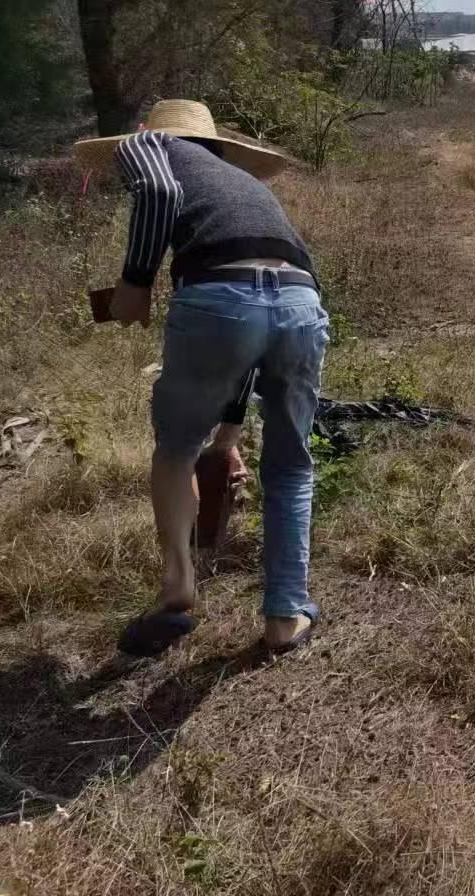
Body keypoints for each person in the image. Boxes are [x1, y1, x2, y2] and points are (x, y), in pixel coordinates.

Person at [75, 100, 329, 659]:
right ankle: (285, 616)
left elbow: (159, 196)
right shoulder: (237, 183)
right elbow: (259, 305)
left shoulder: (147, 145)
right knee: (290, 463)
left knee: (174, 449)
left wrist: (135, 284)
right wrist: (229, 438)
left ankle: (177, 592)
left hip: (220, 297)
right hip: (300, 301)